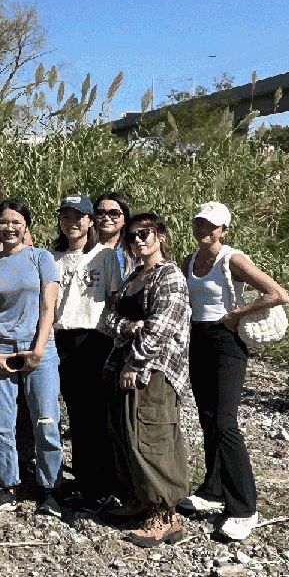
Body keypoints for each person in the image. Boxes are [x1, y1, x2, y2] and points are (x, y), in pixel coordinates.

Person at [178, 201, 289, 542]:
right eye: (200, 222)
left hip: (227, 342)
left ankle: (244, 508)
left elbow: (277, 293)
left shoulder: (233, 259)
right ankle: (212, 491)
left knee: (225, 422)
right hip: (198, 339)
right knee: (208, 418)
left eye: (211, 225)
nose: (204, 229)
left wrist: (238, 313)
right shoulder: (189, 261)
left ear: (224, 230)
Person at [101, 212, 193, 547]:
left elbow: (160, 327)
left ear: (161, 236)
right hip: (124, 366)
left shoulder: (169, 275)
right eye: (132, 236)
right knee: (126, 435)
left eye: (145, 234)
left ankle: (164, 516)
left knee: (151, 437)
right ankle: (139, 502)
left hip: (153, 371)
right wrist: (128, 327)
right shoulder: (134, 277)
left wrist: (135, 362)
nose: (138, 240)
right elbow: (108, 319)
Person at [0, 200, 62, 515]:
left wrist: (38, 350)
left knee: (46, 419)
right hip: (0, 347)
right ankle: (7, 485)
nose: (9, 227)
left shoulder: (42, 258)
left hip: (38, 346)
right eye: (3, 222)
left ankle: (49, 488)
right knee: (1, 423)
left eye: (16, 221)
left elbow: (47, 307)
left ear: (26, 225)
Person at [50, 194, 122, 514]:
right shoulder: (51, 258)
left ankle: (103, 485)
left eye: (79, 216)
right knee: (76, 415)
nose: (73, 223)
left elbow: (117, 300)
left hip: (95, 338)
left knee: (98, 415)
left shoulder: (105, 257)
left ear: (90, 221)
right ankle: (82, 480)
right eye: (66, 216)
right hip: (61, 338)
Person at [93, 192, 133, 283]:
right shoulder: (84, 249)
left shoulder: (134, 251)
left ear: (125, 219)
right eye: (100, 213)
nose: (106, 218)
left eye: (114, 213)